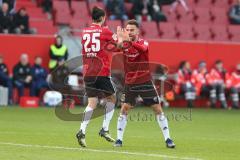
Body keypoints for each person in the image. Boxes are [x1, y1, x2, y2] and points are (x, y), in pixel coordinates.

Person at [113, 19, 175, 148]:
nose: (129, 32)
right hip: (130, 83)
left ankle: (168, 138)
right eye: (127, 30)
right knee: (124, 109)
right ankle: (119, 140)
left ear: (138, 31)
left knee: (157, 108)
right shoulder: (125, 44)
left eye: (132, 30)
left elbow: (142, 49)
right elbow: (116, 48)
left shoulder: (144, 42)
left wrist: (126, 40)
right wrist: (119, 40)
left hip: (145, 81)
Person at [76, 6, 116, 147]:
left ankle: (82, 130)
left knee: (92, 103)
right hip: (101, 71)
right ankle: (104, 129)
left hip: (88, 72)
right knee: (112, 98)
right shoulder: (105, 31)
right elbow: (117, 44)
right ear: (103, 18)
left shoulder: (85, 31)